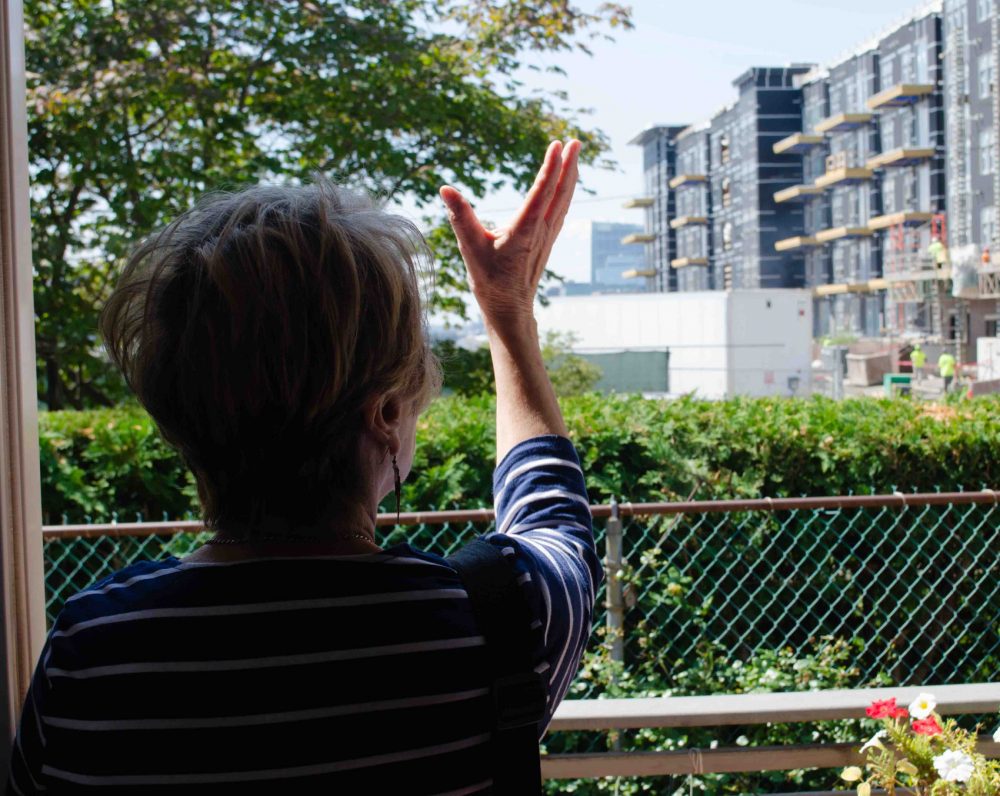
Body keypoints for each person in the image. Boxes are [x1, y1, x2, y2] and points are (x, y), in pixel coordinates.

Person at [7, 140, 602, 793]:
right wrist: (508, 313)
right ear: (384, 414)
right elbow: (555, 519)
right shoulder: (502, 622)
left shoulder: (94, 651)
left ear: (176, 413)